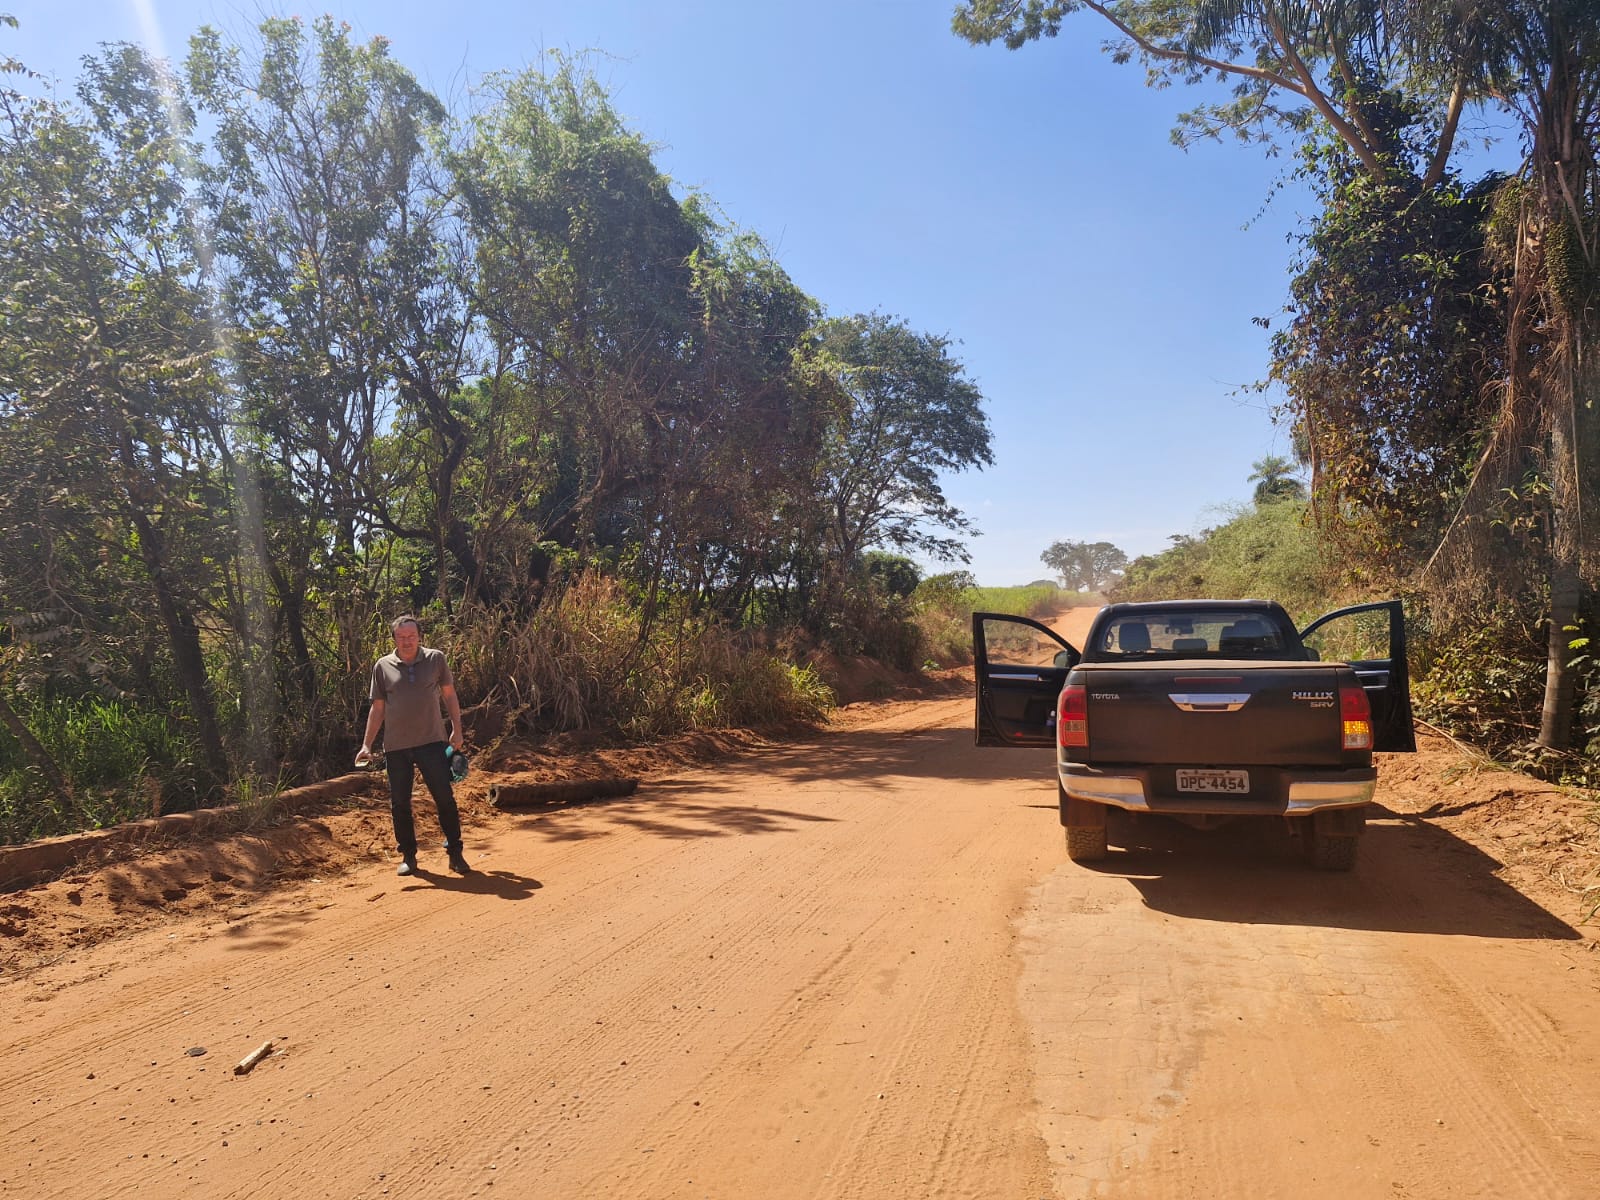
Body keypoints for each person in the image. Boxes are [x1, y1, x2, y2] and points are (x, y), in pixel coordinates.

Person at [355, 615, 470, 876]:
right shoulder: (382, 666)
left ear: (420, 636)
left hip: (432, 742)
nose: (407, 641)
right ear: (394, 638)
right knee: (400, 803)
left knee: (444, 798)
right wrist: (366, 744)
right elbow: (378, 708)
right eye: (401, 637)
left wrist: (457, 729)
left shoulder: (435, 659)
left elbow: (449, 695)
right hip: (396, 746)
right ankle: (408, 856)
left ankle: (455, 853)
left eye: (411, 636)